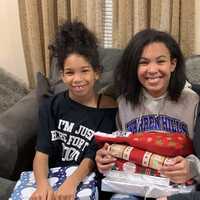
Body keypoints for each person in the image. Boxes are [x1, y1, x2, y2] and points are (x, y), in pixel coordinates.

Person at [95, 29, 200, 200]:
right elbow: (116, 144)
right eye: (143, 63)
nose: (152, 70)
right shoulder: (123, 102)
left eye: (160, 61)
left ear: (172, 64)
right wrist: (104, 158)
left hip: (176, 188)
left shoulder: (193, 100)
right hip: (132, 185)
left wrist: (192, 167)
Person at [30, 21, 117, 200]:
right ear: (61, 75)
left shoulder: (109, 109)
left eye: (84, 71)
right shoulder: (50, 106)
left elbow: (92, 156)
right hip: (52, 180)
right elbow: (42, 152)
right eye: (70, 72)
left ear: (97, 72)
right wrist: (42, 185)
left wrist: (72, 181)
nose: (77, 79)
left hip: (85, 182)